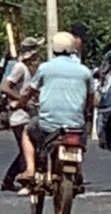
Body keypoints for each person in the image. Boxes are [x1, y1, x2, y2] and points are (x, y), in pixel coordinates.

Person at [16, 32, 95, 183]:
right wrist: (86, 112)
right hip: (75, 125)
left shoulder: (45, 68)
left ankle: (30, 169)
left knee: (27, 131)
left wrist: (20, 103)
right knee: (82, 137)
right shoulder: (85, 71)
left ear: (53, 49)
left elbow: (29, 91)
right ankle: (77, 170)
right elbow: (91, 100)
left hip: (48, 125)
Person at [0, 37, 43, 194]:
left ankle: (9, 179)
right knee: (27, 150)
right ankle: (24, 182)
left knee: (28, 150)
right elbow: (5, 87)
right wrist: (22, 100)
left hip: (28, 114)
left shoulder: (30, 69)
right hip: (19, 115)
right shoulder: (20, 67)